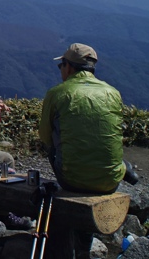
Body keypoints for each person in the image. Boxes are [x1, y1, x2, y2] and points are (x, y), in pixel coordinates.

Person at [40, 43, 136, 194]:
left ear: (69, 67)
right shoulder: (113, 93)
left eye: (61, 66)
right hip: (111, 183)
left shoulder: (57, 93)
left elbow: (45, 136)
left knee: (53, 135)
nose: (60, 70)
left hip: (71, 181)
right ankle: (122, 168)